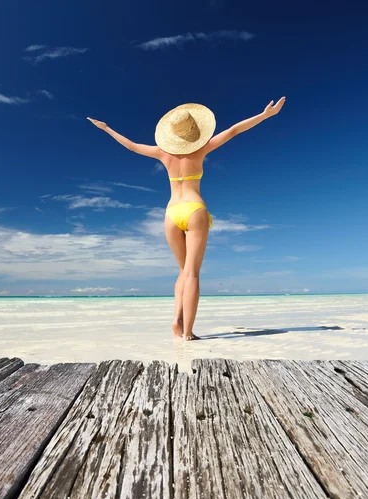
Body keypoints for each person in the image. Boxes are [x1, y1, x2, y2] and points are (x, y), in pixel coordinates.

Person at [88, 97, 286, 340]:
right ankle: (188, 333)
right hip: (194, 209)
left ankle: (176, 320)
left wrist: (106, 128)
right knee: (192, 273)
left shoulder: (162, 153)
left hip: (171, 214)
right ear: (195, 132)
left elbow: (131, 146)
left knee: (182, 271)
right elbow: (234, 130)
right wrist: (265, 115)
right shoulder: (200, 149)